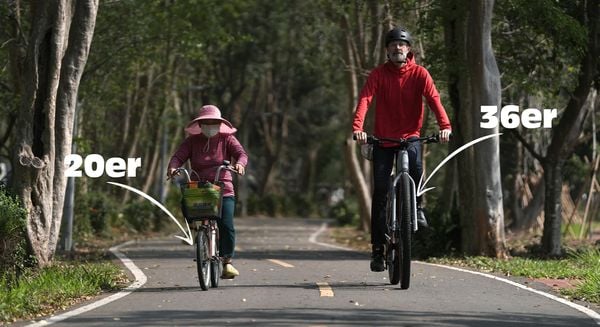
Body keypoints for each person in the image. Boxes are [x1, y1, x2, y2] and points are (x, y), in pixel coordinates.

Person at [352, 27, 452, 272]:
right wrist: (359, 128)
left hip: (411, 138)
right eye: (393, 44)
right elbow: (365, 99)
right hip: (384, 140)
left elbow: (434, 100)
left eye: (402, 44)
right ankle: (378, 249)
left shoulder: (420, 74)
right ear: (387, 50)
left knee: (416, 169)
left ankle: (416, 208)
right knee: (381, 192)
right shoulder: (378, 74)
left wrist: (445, 127)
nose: (397, 48)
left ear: (409, 50)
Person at [167, 105, 248, 279]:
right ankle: (196, 230)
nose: (210, 126)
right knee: (186, 203)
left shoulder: (228, 139)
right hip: (199, 188)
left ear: (220, 124)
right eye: (207, 123)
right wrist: (173, 167)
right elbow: (178, 157)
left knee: (226, 225)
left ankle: (227, 261)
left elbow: (241, 153)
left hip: (223, 187)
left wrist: (240, 164)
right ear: (200, 124)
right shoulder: (191, 141)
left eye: (214, 123)